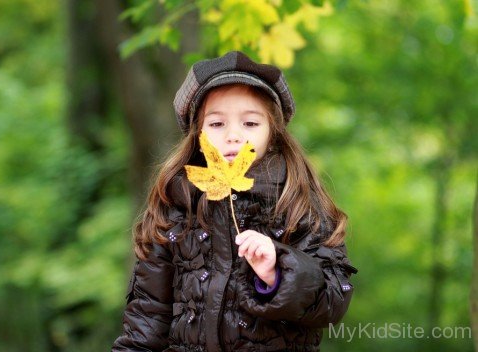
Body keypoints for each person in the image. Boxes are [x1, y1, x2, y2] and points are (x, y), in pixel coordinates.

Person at [112, 51, 357, 352]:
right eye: (216, 124)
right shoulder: (176, 206)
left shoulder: (296, 202)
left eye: (250, 124)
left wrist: (278, 270)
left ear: (273, 133)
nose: (233, 136)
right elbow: (147, 319)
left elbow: (333, 299)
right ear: (197, 134)